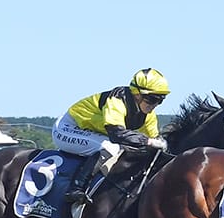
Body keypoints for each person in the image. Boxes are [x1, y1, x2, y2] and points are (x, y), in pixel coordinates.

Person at [53, 68, 171, 205]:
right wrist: (149, 141)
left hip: (91, 132)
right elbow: (117, 134)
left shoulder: (148, 115)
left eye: (160, 100)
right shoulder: (117, 100)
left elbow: (155, 141)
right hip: (67, 128)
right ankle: (76, 188)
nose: (155, 105)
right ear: (137, 94)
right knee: (110, 148)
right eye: (152, 99)